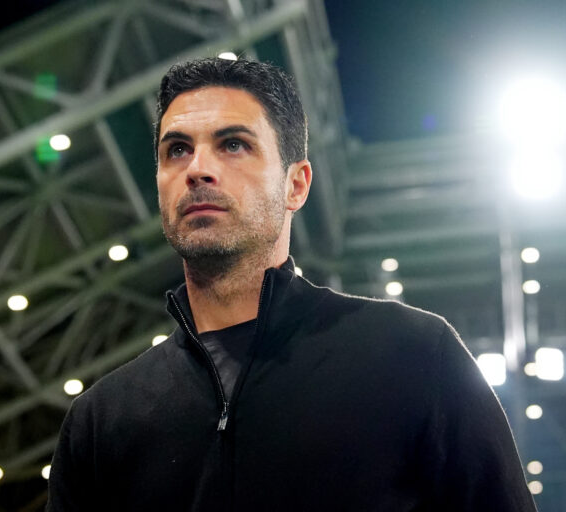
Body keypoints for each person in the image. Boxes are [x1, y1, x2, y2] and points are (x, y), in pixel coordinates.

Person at [47, 57, 538, 511]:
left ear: (296, 185)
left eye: (233, 144)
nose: (197, 169)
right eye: (177, 150)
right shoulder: (102, 421)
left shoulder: (413, 355)